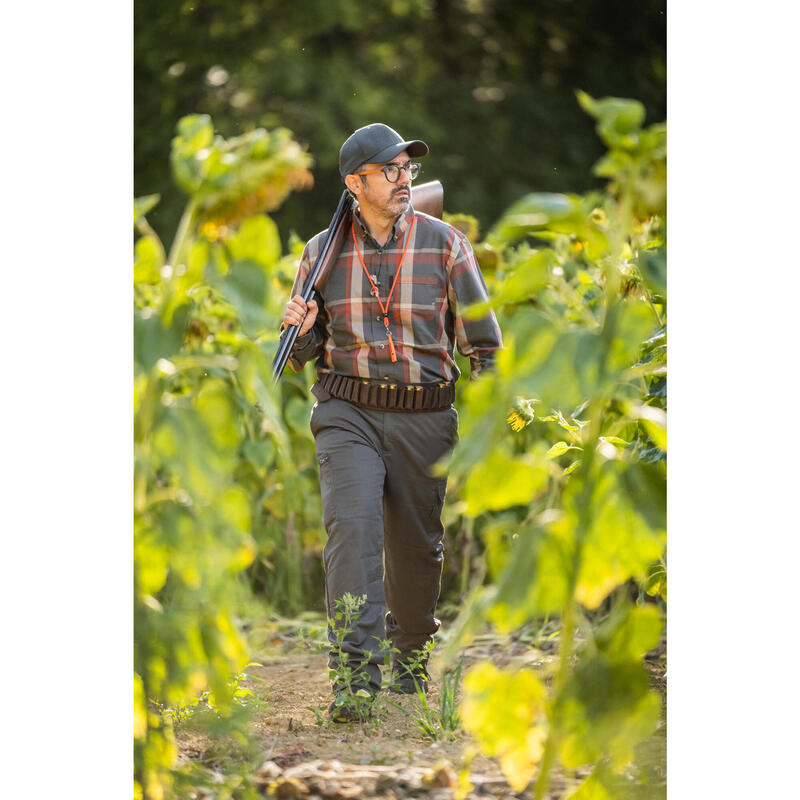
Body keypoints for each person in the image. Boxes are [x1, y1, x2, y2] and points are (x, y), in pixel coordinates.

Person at [282, 123, 502, 721]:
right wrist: (298, 330)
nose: (405, 180)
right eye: (391, 171)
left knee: (416, 551)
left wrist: (489, 428)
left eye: (407, 169)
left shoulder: (445, 243)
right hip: (346, 411)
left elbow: (482, 346)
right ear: (355, 183)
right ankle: (354, 678)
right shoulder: (318, 253)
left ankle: (409, 660)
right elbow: (297, 356)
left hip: (426, 417)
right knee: (351, 534)